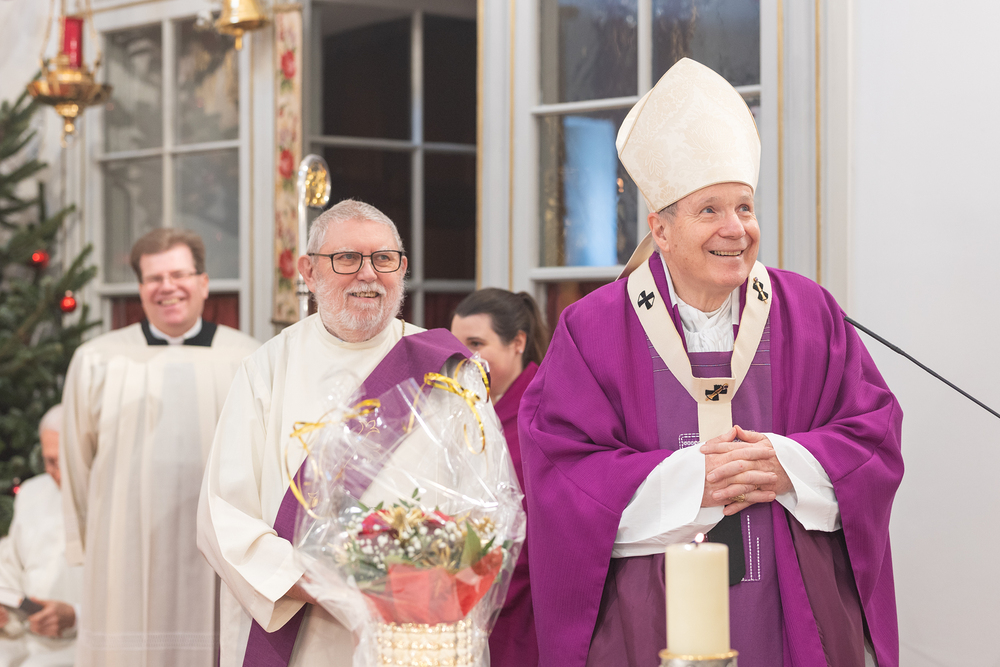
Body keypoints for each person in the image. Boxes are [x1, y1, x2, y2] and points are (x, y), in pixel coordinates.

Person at [518, 58, 903, 667]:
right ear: (661, 230)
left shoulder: (809, 312)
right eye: (709, 211)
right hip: (648, 614)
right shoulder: (593, 329)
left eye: (744, 208)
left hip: (791, 607)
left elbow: (873, 435)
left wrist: (789, 465)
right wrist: (690, 481)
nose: (735, 229)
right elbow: (559, 471)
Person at [198, 199, 480, 667]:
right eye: (347, 258)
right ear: (309, 272)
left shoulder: (447, 370)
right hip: (304, 625)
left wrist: (426, 580)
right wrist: (336, 592)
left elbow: (480, 507)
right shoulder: (267, 369)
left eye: (383, 259)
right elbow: (223, 514)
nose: (368, 274)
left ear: (402, 268)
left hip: (415, 628)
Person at [60, 229, 261, 667]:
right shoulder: (97, 360)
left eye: (179, 274)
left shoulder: (248, 358)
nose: (167, 287)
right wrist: (87, 542)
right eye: (154, 278)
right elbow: (76, 460)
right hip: (122, 546)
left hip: (217, 551)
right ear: (140, 288)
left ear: (203, 282)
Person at [451, 288, 549, 667]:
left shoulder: (545, 409)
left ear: (518, 342)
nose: (464, 356)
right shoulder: (464, 406)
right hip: (472, 592)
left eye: (476, 343)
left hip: (524, 600)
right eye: (456, 344)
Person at [0, 404, 81, 667]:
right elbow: (10, 564)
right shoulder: (32, 493)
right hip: (22, 638)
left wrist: (75, 617)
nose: (54, 471)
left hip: (79, 645)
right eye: (49, 461)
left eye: (61, 462)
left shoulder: (116, 505)